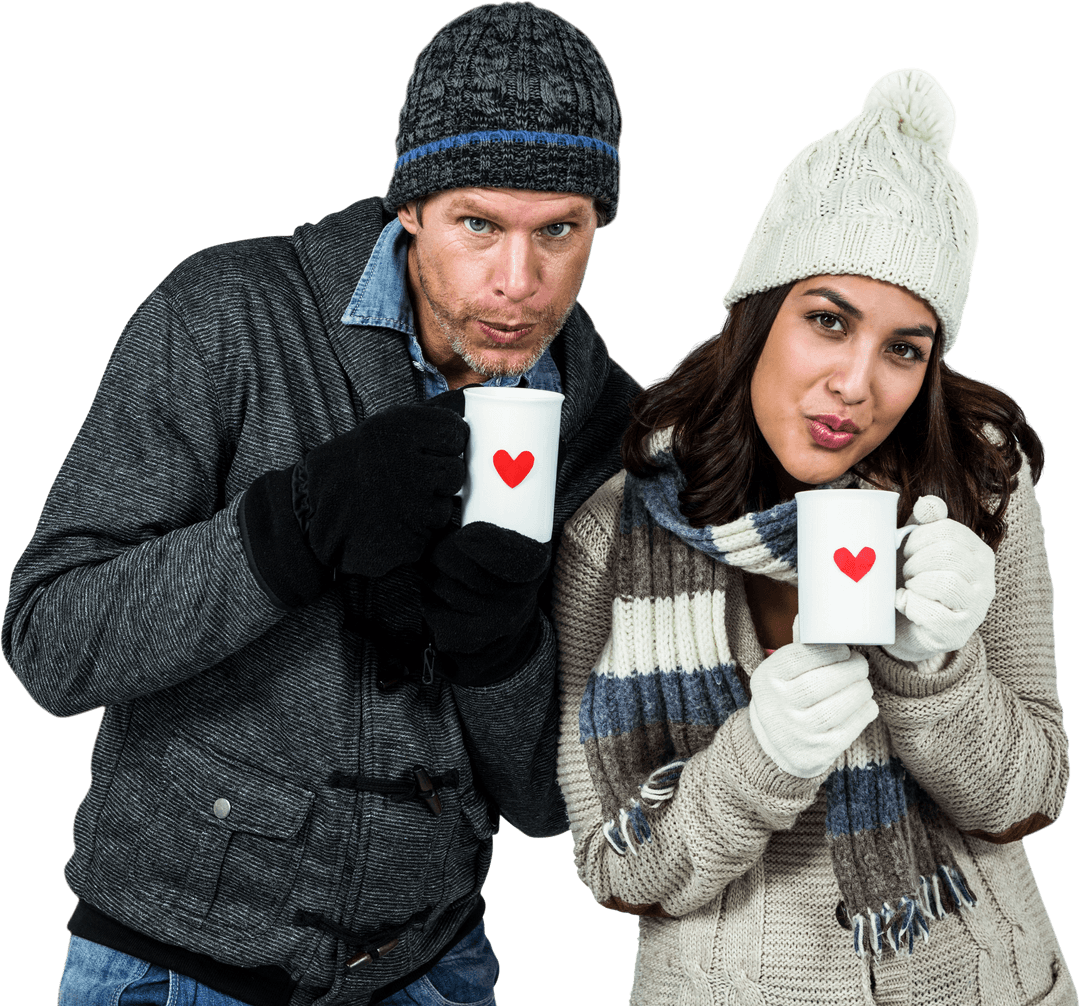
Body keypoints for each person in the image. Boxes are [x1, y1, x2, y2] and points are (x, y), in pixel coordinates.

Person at [1, 4, 638, 1005]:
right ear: (413, 205)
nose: (519, 282)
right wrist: (287, 527)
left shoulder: (602, 422)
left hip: (432, 963)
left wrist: (499, 647)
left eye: (558, 230)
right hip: (171, 964)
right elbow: (52, 643)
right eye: (479, 223)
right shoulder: (226, 314)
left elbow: (549, 797)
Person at [554, 68, 1074, 1004]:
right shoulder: (615, 532)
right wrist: (760, 757)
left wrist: (936, 672)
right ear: (759, 316)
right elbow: (616, 864)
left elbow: (1029, 797)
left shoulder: (979, 478)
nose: (856, 384)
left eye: (904, 348)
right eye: (828, 321)